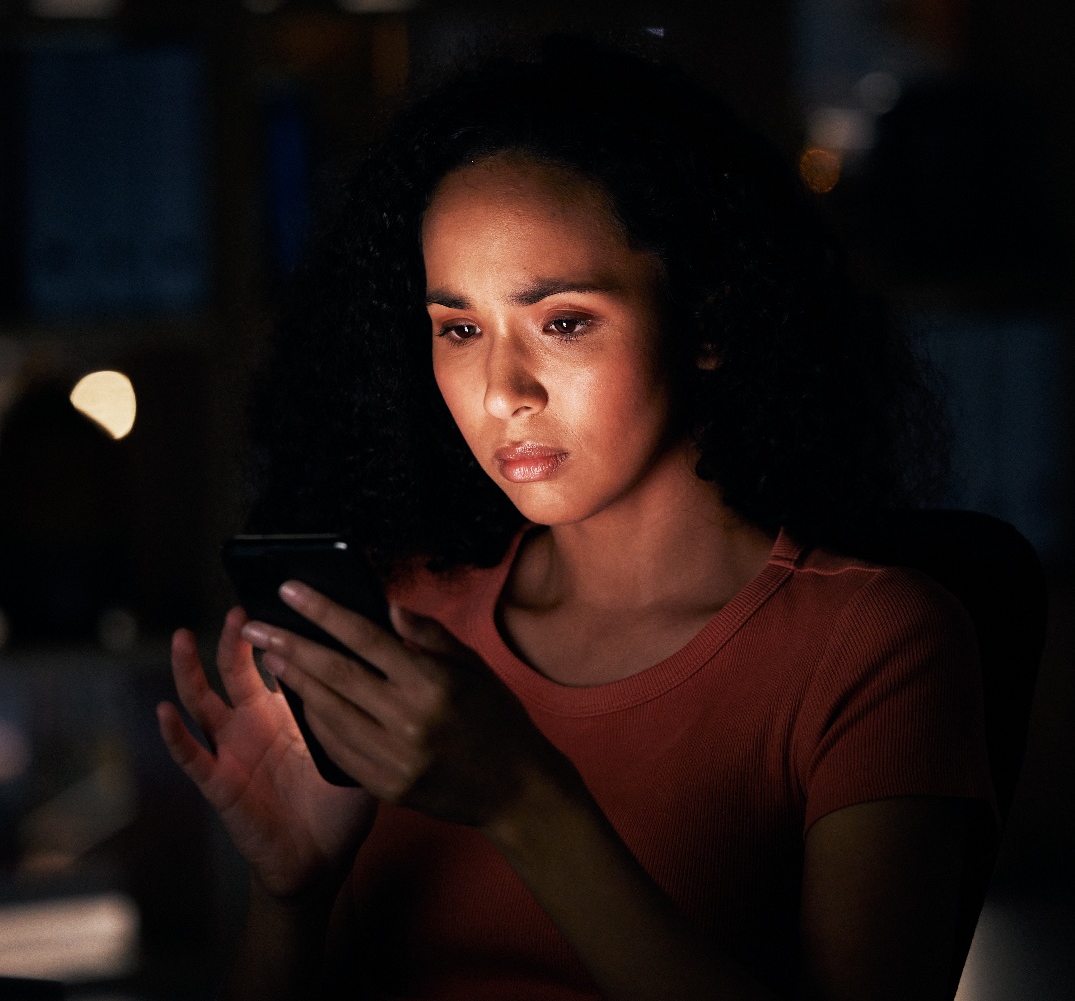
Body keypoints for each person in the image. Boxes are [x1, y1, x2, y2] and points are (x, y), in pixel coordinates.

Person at [156, 38, 995, 1001]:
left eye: (562, 321)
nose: (503, 391)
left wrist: (525, 801)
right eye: (459, 329)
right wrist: (291, 894)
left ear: (709, 323)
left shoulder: (875, 649)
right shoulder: (408, 628)